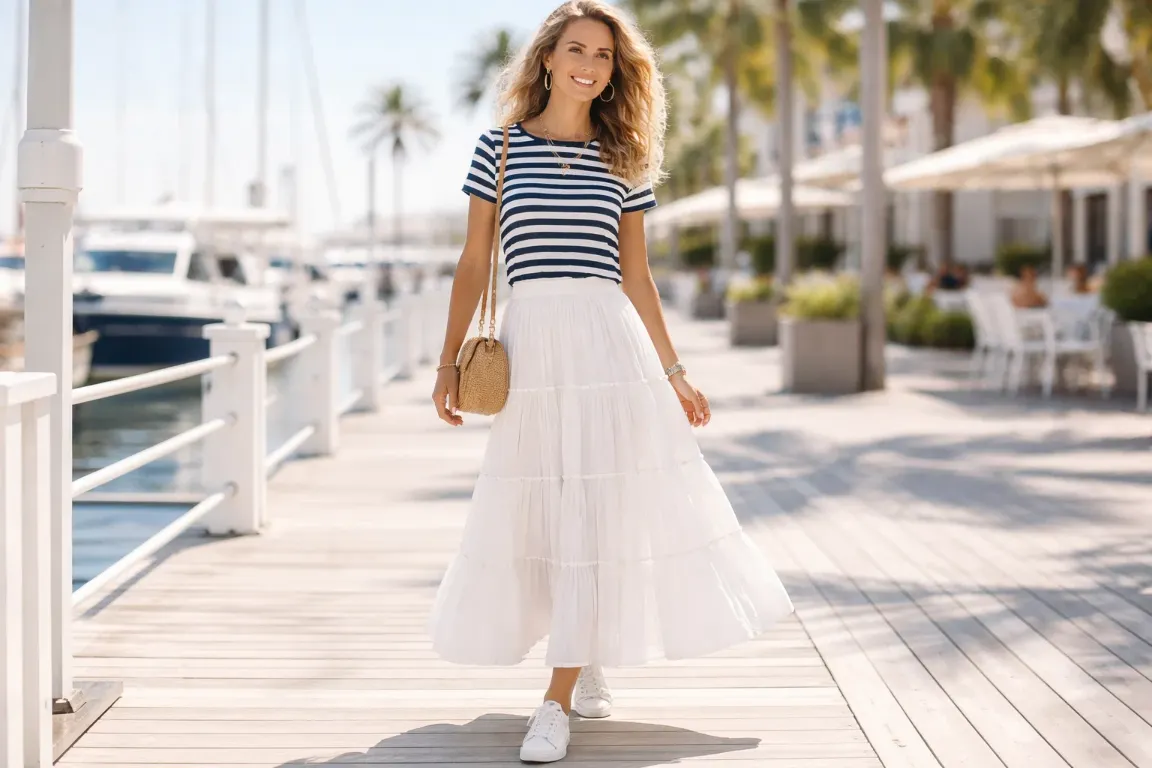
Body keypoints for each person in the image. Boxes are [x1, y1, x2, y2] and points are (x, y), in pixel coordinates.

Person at [427, 2, 793, 762]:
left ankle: (553, 703)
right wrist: (446, 362)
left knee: (597, 505)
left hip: (609, 349)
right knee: (547, 509)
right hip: (532, 346)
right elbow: (473, 264)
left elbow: (637, 274)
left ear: (615, 70)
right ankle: (582, 650)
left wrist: (675, 372)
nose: (589, 64)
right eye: (576, 49)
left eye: (603, 55)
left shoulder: (621, 155)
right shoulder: (497, 149)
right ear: (549, 59)